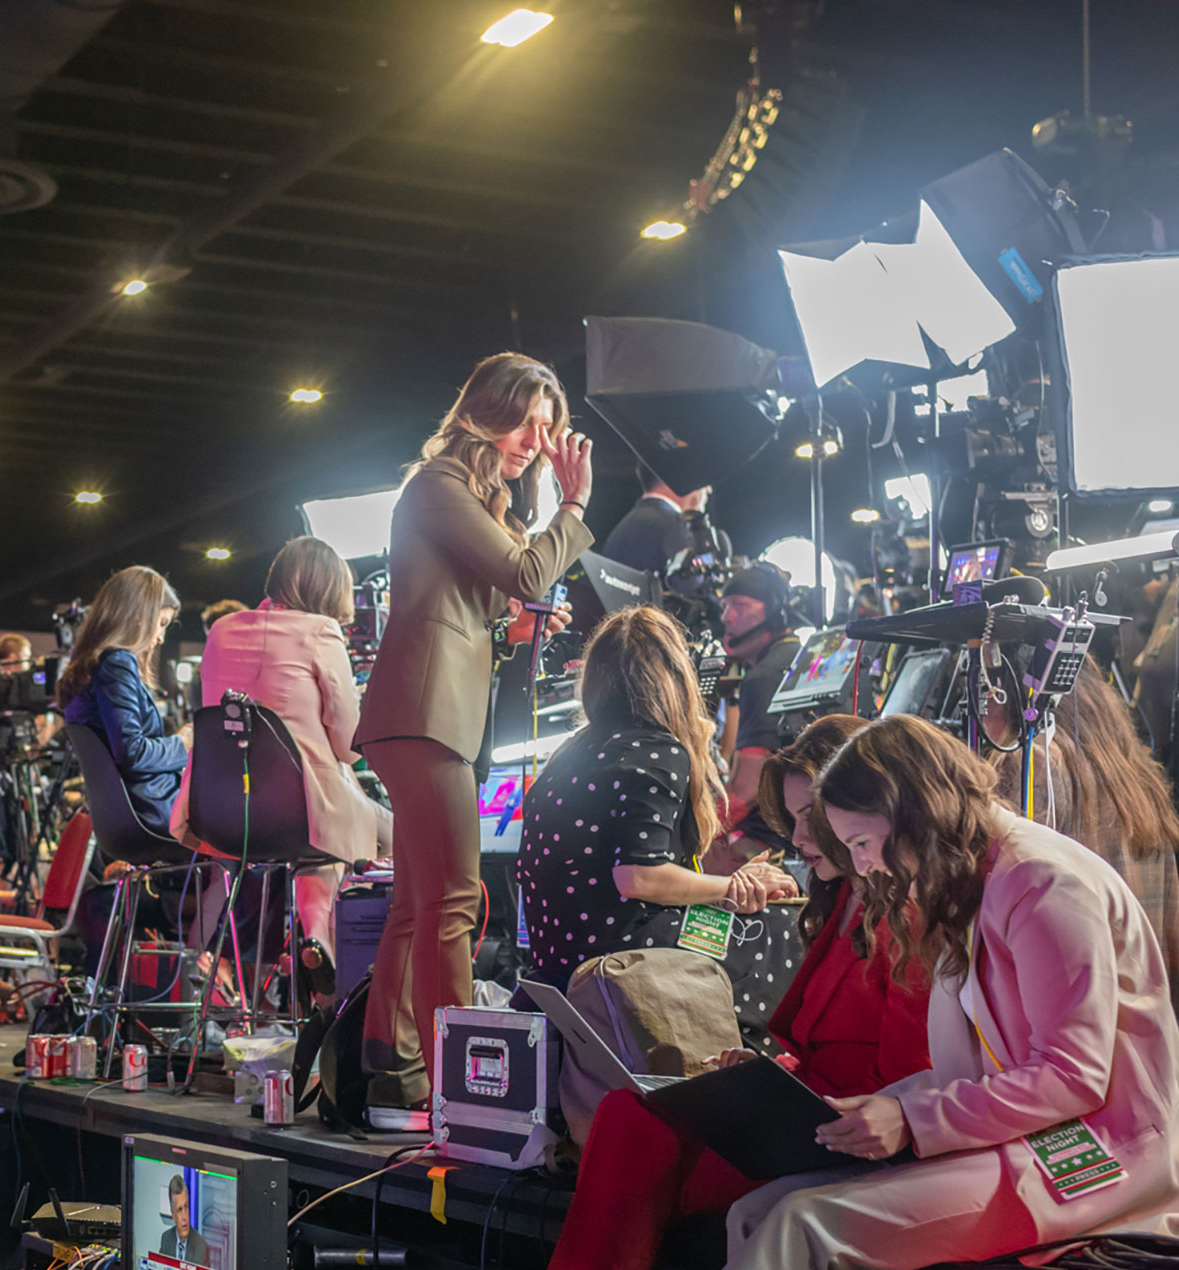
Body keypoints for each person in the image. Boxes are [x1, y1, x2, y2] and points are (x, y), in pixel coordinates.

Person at [433, 716, 1179, 1270]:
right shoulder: (979, 880)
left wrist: (911, 1119)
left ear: (912, 810)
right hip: (1040, 1143)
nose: (863, 865)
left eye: (863, 842)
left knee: (806, 1224)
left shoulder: (1040, 883)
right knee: (762, 1212)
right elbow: (979, 1070)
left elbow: (1072, 1078)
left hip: (1102, 1158)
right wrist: (883, 1107)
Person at [487, 718, 932, 1270]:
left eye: (808, 817)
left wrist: (792, 1081)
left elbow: (907, 1077)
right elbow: (809, 1040)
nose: (794, 836)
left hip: (858, 1136)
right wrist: (766, 1070)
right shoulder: (844, 906)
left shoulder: (908, 910)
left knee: (652, 1159)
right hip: (810, 1112)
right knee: (635, 1115)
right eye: (793, 817)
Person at [353, 352, 594, 1129]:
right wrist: (573, 500)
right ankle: (463, 1093)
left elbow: (488, 597)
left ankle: (394, 1076)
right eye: (527, 420)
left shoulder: (471, 497)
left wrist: (522, 619)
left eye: (546, 428)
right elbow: (526, 573)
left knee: (417, 904)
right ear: (485, 409)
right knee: (454, 898)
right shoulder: (439, 485)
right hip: (424, 712)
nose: (534, 439)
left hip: (430, 711)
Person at [513, 606, 801, 1036]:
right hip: (625, 956)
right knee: (784, 929)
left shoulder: (569, 753)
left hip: (560, 958)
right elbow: (639, 877)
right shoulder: (657, 748)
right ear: (674, 676)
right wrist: (734, 888)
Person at [174, 536, 393, 964]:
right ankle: (330, 953)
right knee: (400, 838)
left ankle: (314, 949)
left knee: (321, 843)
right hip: (302, 810)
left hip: (221, 813)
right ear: (331, 589)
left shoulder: (221, 629)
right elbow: (349, 748)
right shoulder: (321, 631)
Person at [992, 661, 1179, 1002]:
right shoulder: (1138, 772)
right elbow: (1173, 953)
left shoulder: (1034, 761)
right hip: (1145, 1015)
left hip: (1076, 1013)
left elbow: (1006, 905)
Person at [58, 566, 189, 832]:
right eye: (161, 624)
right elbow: (133, 752)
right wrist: (183, 744)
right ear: (139, 616)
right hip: (152, 814)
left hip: (129, 814)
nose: (161, 637)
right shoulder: (117, 664)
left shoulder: (90, 667)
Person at [716, 563, 805, 834]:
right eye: (724, 607)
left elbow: (746, 791)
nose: (726, 618)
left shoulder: (763, 678)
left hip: (774, 834)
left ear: (776, 613)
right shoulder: (798, 659)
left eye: (740, 606)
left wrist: (698, 833)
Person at [603, 463, 715, 577]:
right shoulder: (676, 527)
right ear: (682, 479)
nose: (709, 489)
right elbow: (696, 587)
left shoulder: (621, 529)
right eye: (703, 480)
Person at [157, 1174, 209, 1265]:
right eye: (180, 1210)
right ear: (173, 1214)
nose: (184, 1217)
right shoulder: (166, 1239)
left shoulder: (201, 1247)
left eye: (186, 1207)